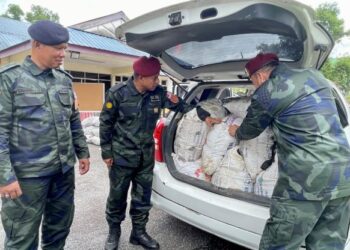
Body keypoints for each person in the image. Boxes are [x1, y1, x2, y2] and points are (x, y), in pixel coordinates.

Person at [228, 53, 350, 249]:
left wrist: (235, 131)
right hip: (343, 178)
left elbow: (249, 130)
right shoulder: (316, 76)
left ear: (259, 77)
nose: (254, 87)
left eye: (252, 82)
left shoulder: (267, 91)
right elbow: (341, 120)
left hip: (304, 184)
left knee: (279, 245)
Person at [100, 56, 219, 250]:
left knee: (142, 196)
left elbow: (182, 106)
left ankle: (138, 233)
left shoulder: (158, 93)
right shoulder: (117, 93)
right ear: (140, 77)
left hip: (145, 157)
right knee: (117, 196)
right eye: (154, 78)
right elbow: (105, 123)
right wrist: (106, 152)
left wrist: (205, 116)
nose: (157, 81)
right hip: (121, 156)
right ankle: (114, 232)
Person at [0, 20, 90, 249]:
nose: (63, 54)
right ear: (37, 44)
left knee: (58, 230)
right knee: (22, 238)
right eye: (58, 48)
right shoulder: (9, 79)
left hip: (62, 172)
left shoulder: (64, 80)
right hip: (27, 178)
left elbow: (73, 119)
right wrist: (5, 177)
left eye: (65, 48)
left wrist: (83, 152)